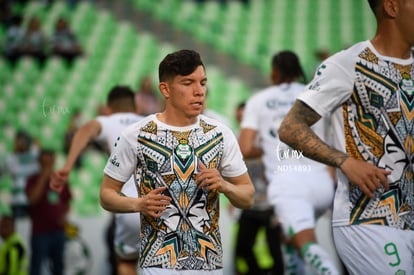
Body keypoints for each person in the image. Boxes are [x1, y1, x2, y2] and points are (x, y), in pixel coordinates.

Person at [278, 0, 414, 274]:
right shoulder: (348, 64)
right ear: (391, 7)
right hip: (367, 219)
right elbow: (291, 127)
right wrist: (344, 162)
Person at [99, 49, 255, 275]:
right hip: (159, 264)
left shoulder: (221, 134)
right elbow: (106, 195)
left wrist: (224, 185)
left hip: (209, 264)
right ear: (165, 89)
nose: (199, 91)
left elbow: (247, 196)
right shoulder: (136, 135)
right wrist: (139, 204)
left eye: (203, 83)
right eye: (188, 83)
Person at [239, 51, 338, 275]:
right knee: (288, 238)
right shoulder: (314, 94)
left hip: (288, 185)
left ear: (274, 73)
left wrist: (268, 147)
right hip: (322, 183)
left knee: (305, 244)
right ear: (297, 70)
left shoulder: (259, 100)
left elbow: (244, 148)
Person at [51, 86, 144, 275]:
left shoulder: (107, 121)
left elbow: (85, 130)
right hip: (159, 204)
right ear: (136, 109)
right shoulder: (150, 121)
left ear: (108, 109)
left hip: (129, 207)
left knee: (126, 263)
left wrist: (68, 166)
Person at [234, 102, 284, 275]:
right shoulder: (235, 139)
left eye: (244, 117)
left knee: (275, 251)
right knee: (242, 248)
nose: (241, 120)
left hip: (270, 205)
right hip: (250, 203)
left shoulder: (267, 138)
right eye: (238, 117)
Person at [25, 149, 72, 275]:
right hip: (40, 232)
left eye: (50, 160)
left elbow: (67, 201)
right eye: (45, 161)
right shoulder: (32, 180)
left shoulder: (61, 180)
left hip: (58, 232)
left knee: (58, 268)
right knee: (36, 268)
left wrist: (63, 216)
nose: (48, 164)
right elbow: (32, 199)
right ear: (39, 162)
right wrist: (44, 176)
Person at [6, 131, 40, 218]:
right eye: (20, 140)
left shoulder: (34, 155)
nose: (22, 143)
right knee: (19, 229)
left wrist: (33, 142)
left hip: (33, 199)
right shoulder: (11, 157)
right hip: (18, 200)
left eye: (25, 140)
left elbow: (38, 145)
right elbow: (15, 171)